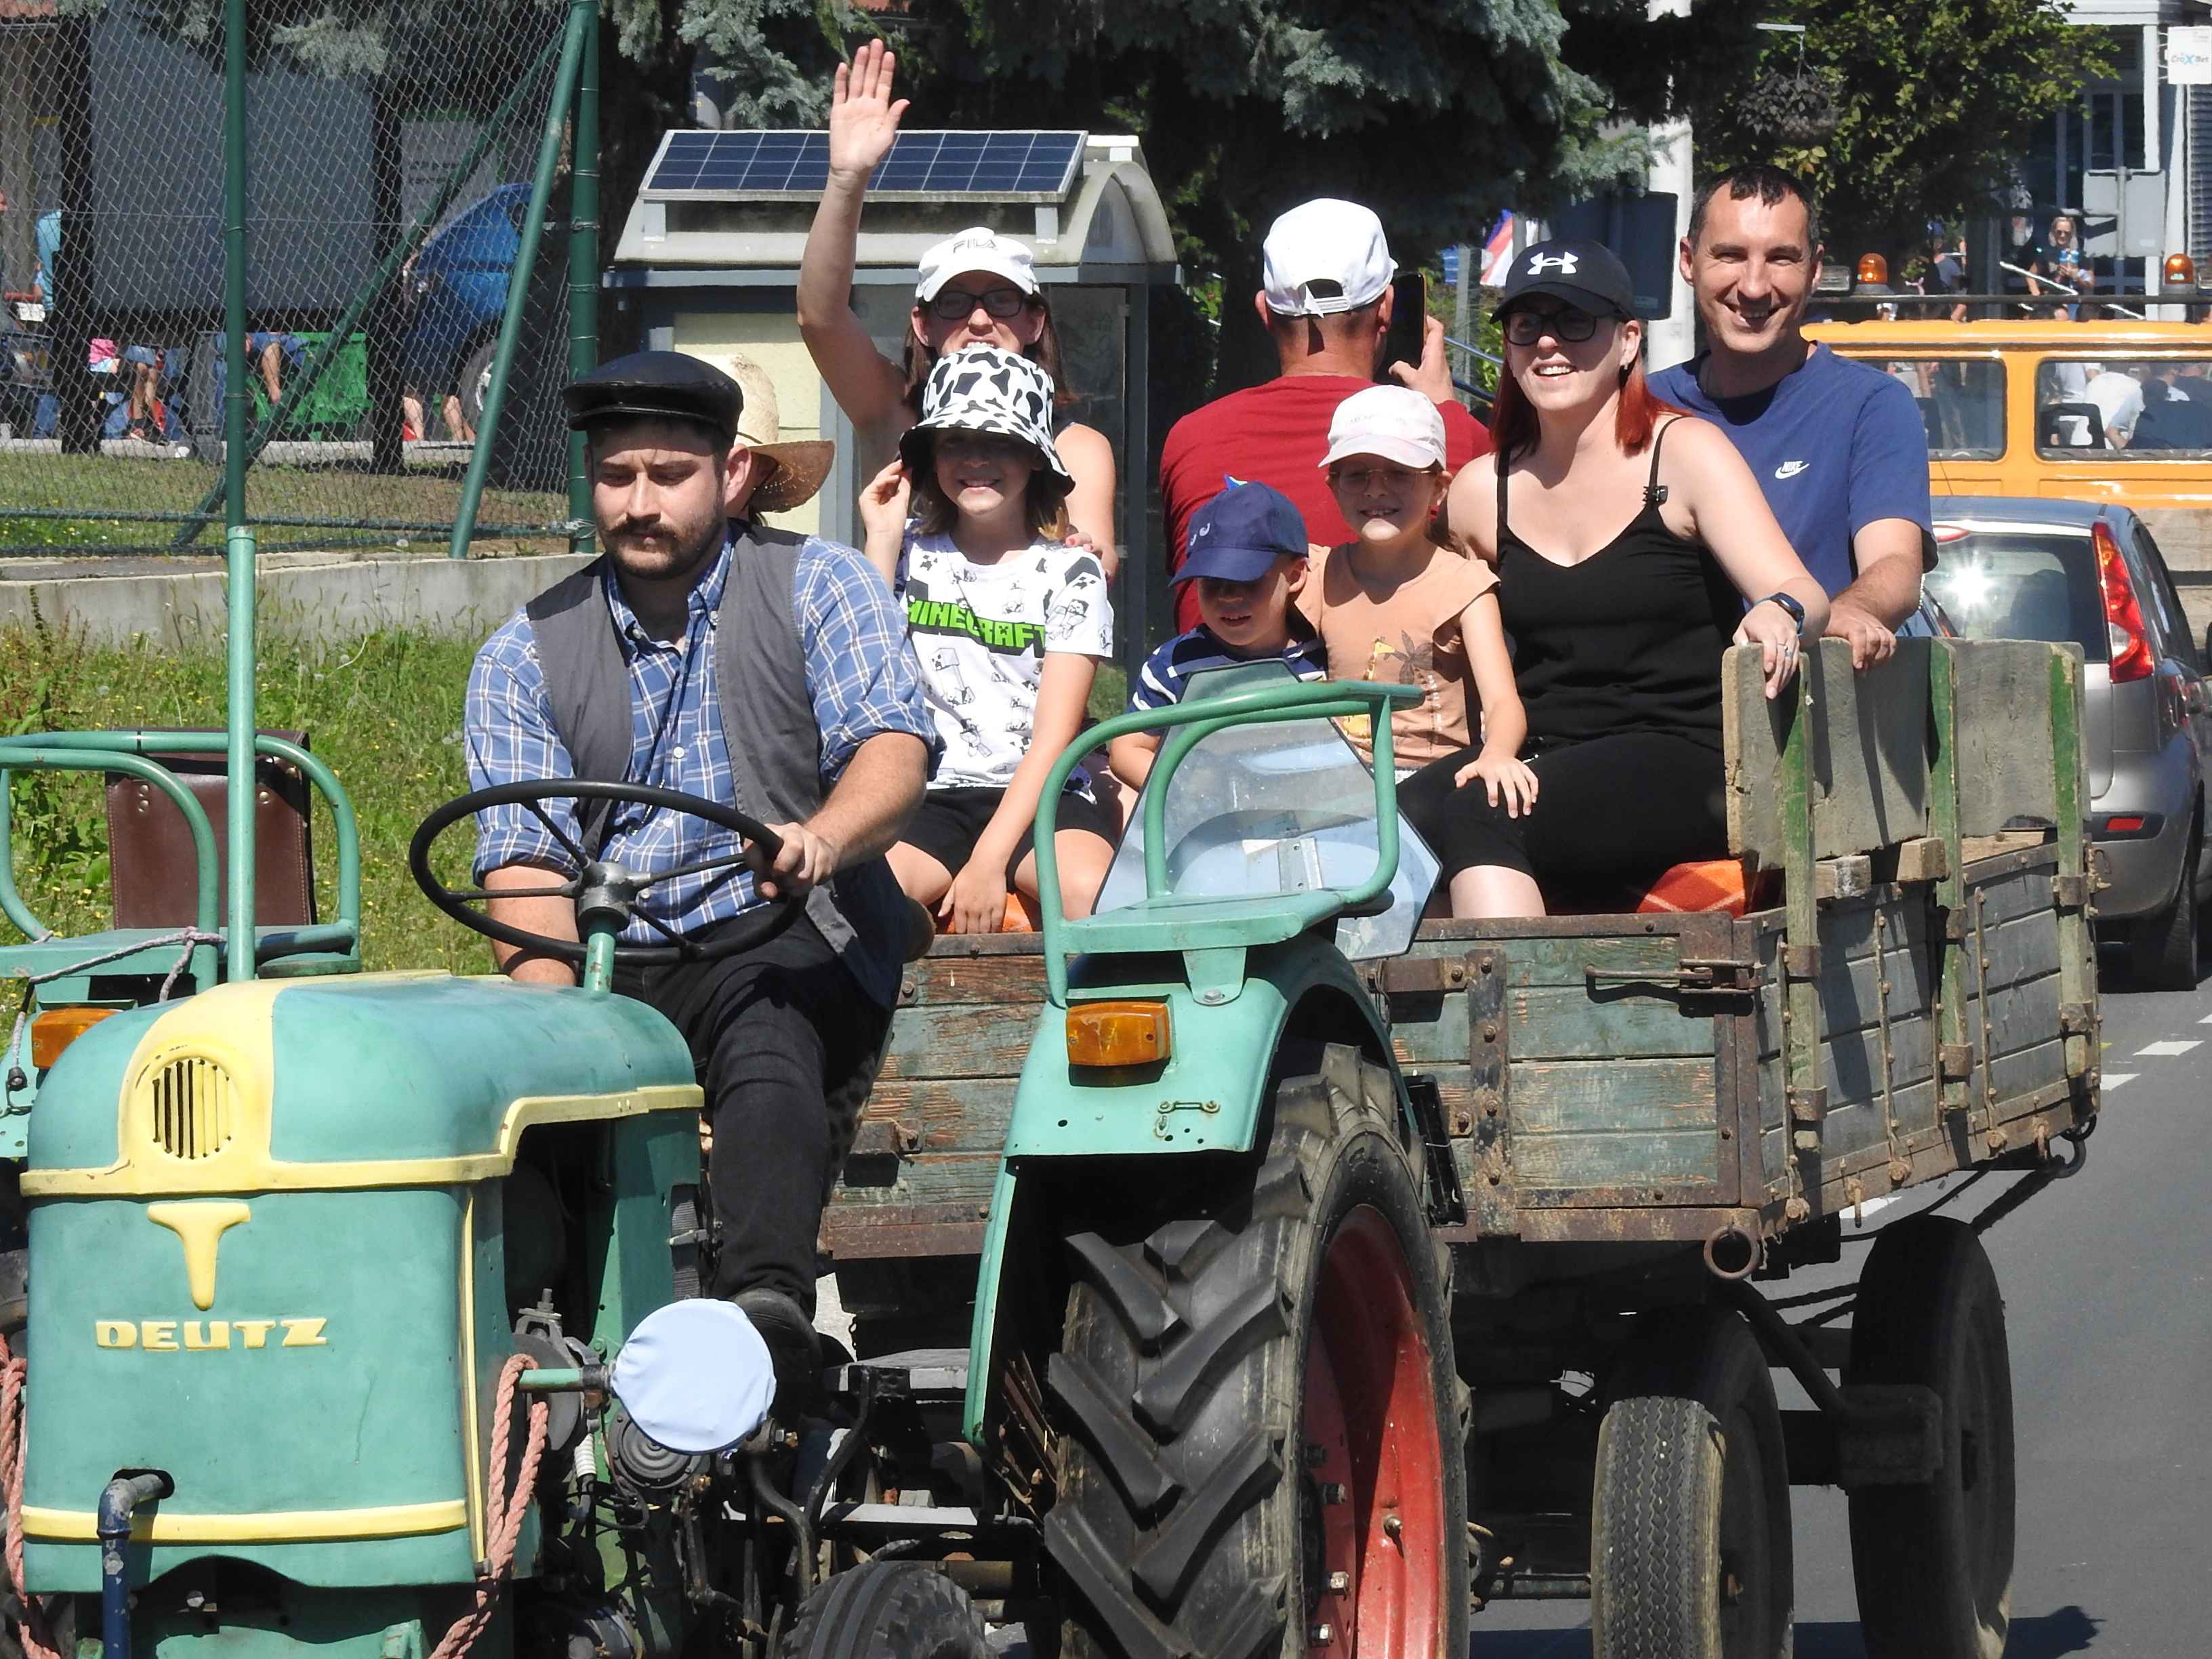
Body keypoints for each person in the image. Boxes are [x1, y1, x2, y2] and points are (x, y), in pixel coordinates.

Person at [464, 350, 937, 1404]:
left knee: (766, 1023)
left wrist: (821, 836)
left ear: (730, 478)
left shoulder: (823, 584)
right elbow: (527, 868)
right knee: (495, 1077)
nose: (639, 502)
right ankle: (529, 1329)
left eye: (667, 475)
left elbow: (893, 756)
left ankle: (765, 1308)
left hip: (778, 921)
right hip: (608, 954)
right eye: (616, 475)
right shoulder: (522, 654)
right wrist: (557, 1042)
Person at [1412, 239, 1828, 918]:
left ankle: (1513, 1018)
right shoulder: (1482, 490)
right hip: (1546, 754)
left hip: (1686, 760)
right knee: (1389, 826)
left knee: (1481, 815)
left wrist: (1779, 610)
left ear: (1628, 340)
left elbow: (1804, 590)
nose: (1549, 344)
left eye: (1576, 321)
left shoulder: (1686, 453)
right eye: (1527, 325)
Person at [799, 40, 1118, 571]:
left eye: (1001, 299)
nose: (978, 319)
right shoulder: (892, 413)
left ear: (1036, 319)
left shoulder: (1075, 443)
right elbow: (820, 317)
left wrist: (1085, 551)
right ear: (920, 325)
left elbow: (1100, 562)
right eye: (953, 302)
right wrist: (847, 180)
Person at [857, 345, 1118, 933]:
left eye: (998, 442)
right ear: (929, 458)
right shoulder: (903, 555)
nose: (976, 459)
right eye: (954, 441)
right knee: (855, 899)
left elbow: (1054, 738)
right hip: (925, 797)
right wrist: (882, 537)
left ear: (1034, 459)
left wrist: (988, 861)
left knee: (1096, 897)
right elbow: (866, 673)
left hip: (1042, 798)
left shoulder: (1073, 572)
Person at [1159, 198, 1492, 634]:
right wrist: (1443, 412)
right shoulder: (1457, 438)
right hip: (1390, 699)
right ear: (1387, 307)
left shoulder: (1190, 439)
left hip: (1216, 696)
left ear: (1264, 311)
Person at [1647, 167, 1931, 670]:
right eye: (1730, 255)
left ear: (1815, 269)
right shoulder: (1641, 408)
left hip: (1810, 716)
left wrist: (1845, 614)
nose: (1754, 287)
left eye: (1781, 258)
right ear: (1688, 262)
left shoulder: (1872, 405)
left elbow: (1896, 565)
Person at [1300, 386, 1528, 905]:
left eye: (1399, 473)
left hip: (1431, 783)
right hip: (1339, 786)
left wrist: (1497, 754)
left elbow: (1502, 701)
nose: (1376, 490)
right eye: (1357, 474)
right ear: (1333, 485)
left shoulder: (1464, 584)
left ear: (1439, 489)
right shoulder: (1316, 572)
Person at [1109, 479, 1326, 790]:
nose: (1227, 596)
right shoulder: (1175, 663)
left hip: (1317, 817)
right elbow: (1127, 749)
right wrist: (1190, 798)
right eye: (1211, 581)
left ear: (1295, 575)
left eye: (1248, 579)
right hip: (1214, 827)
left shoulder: (1325, 655)